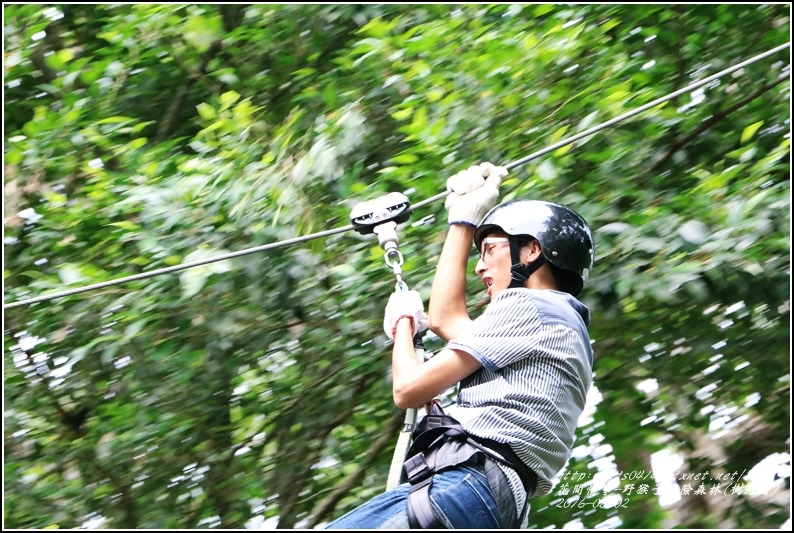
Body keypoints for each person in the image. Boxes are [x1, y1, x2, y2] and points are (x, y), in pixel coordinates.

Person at [327, 162, 595, 529]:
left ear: (531, 250)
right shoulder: (556, 322)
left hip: (470, 484)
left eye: (488, 250)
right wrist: (463, 219)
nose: (479, 268)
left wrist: (402, 325)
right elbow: (448, 320)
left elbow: (408, 389)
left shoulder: (530, 305)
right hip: (492, 501)